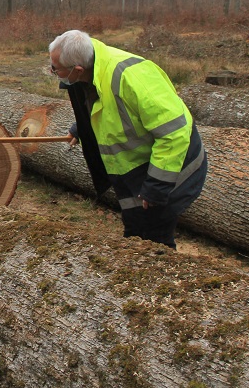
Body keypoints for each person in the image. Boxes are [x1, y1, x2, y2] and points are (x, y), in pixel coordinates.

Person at [49, 29, 207, 249]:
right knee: (136, 233)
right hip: (133, 170)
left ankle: (161, 277)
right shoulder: (90, 66)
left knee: (153, 239)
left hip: (171, 167)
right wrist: (82, 128)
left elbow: (174, 133)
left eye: (56, 70)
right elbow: (106, 107)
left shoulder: (131, 77)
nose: (54, 72)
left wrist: (157, 186)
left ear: (77, 69)